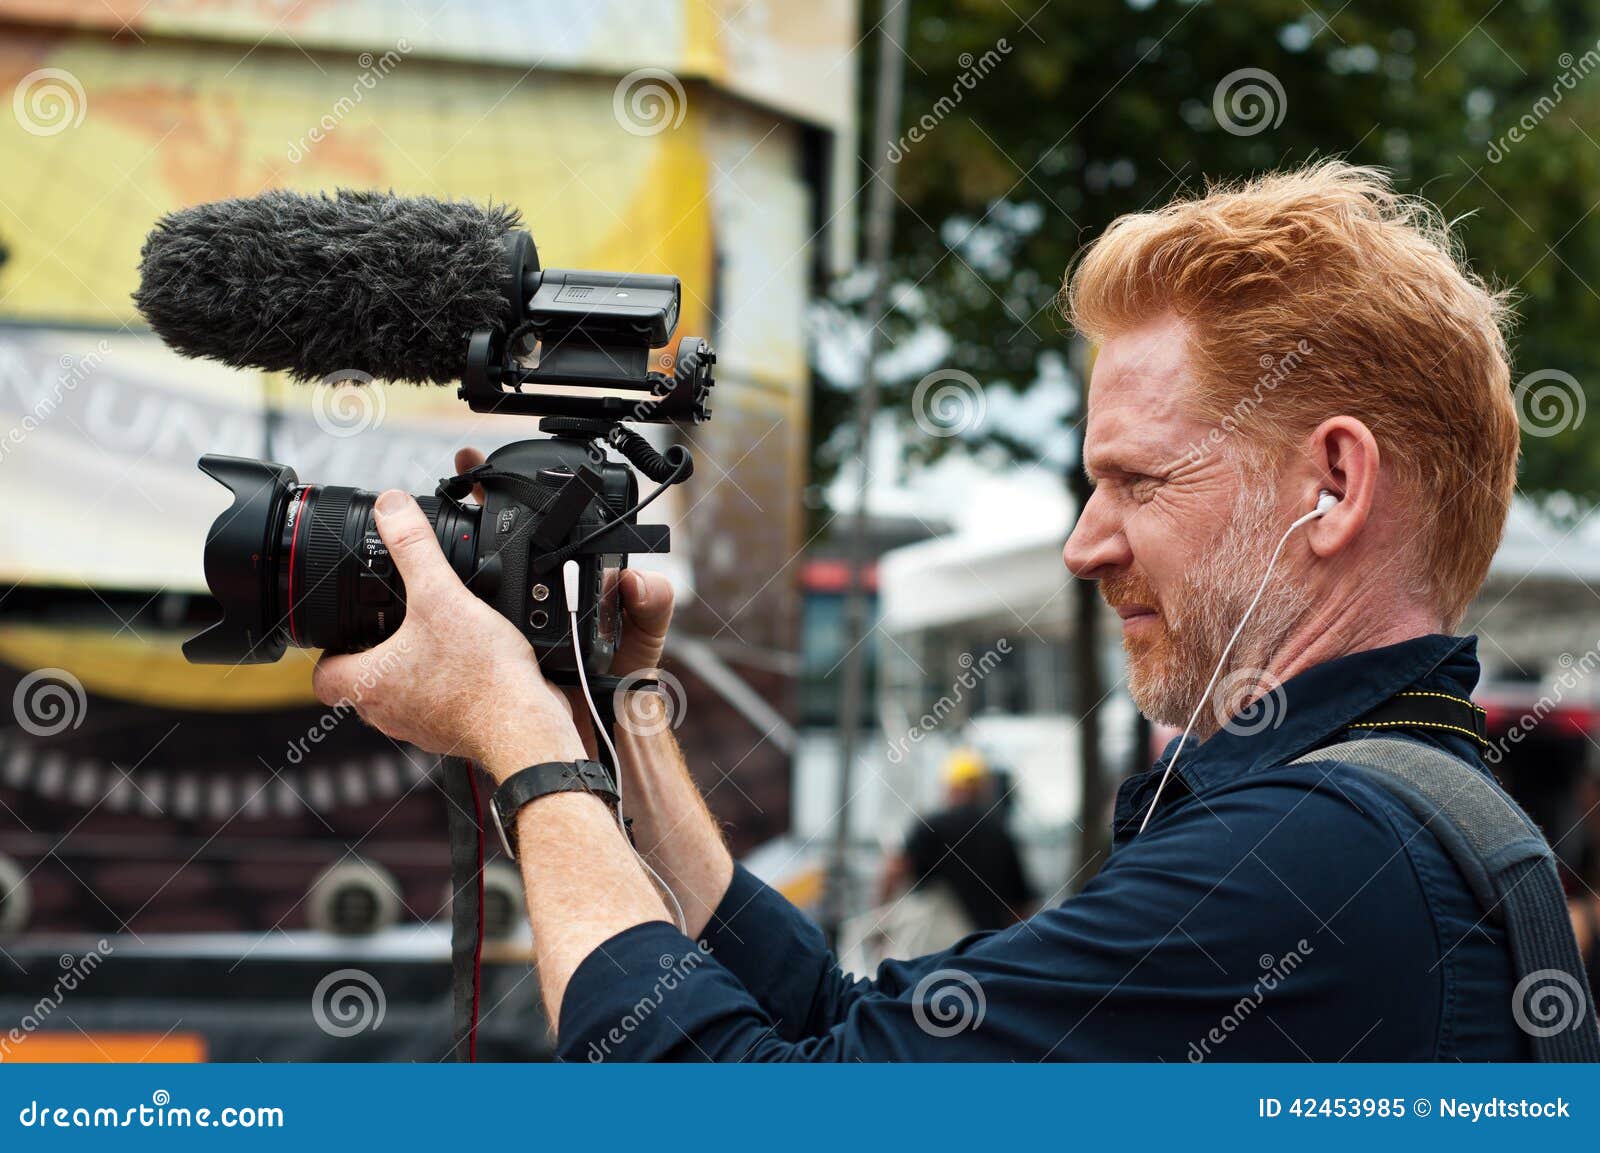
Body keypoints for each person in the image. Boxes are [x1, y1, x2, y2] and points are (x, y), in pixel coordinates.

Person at [314, 162, 1554, 1059]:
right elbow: (849, 1041)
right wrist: (616, 727)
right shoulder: (1387, 823)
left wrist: (517, 741)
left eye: (1139, 479)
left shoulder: (1311, 864)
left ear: (1331, 484)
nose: (1085, 542)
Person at [875, 748, 1036, 944]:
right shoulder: (1001, 834)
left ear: (950, 786)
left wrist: (880, 924)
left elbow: (894, 870)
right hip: (985, 946)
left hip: (933, 947)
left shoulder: (931, 826)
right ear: (982, 788)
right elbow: (1020, 906)